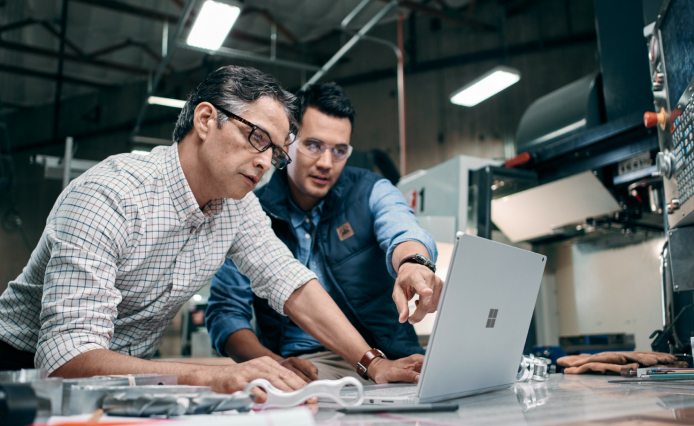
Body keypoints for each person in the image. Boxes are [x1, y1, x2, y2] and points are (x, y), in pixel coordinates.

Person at [0, 67, 425, 398]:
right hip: (20, 373)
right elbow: (64, 358)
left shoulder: (236, 208)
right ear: (206, 119)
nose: (264, 161)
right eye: (256, 137)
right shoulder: (110, 196)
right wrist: (214, 376)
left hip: (129, 377)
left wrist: (374, 364)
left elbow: (291, 282)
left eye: (275, 152)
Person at [206, 82, 444, 384]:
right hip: (308, 365)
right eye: (313, 145)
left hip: (390, 355)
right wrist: (276, 366)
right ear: (287, 141)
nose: (326, 163)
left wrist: (413, 263)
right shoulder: (250, 212)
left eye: (340, 150)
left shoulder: (370, 190)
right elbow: (226, 313)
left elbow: (402, 228)